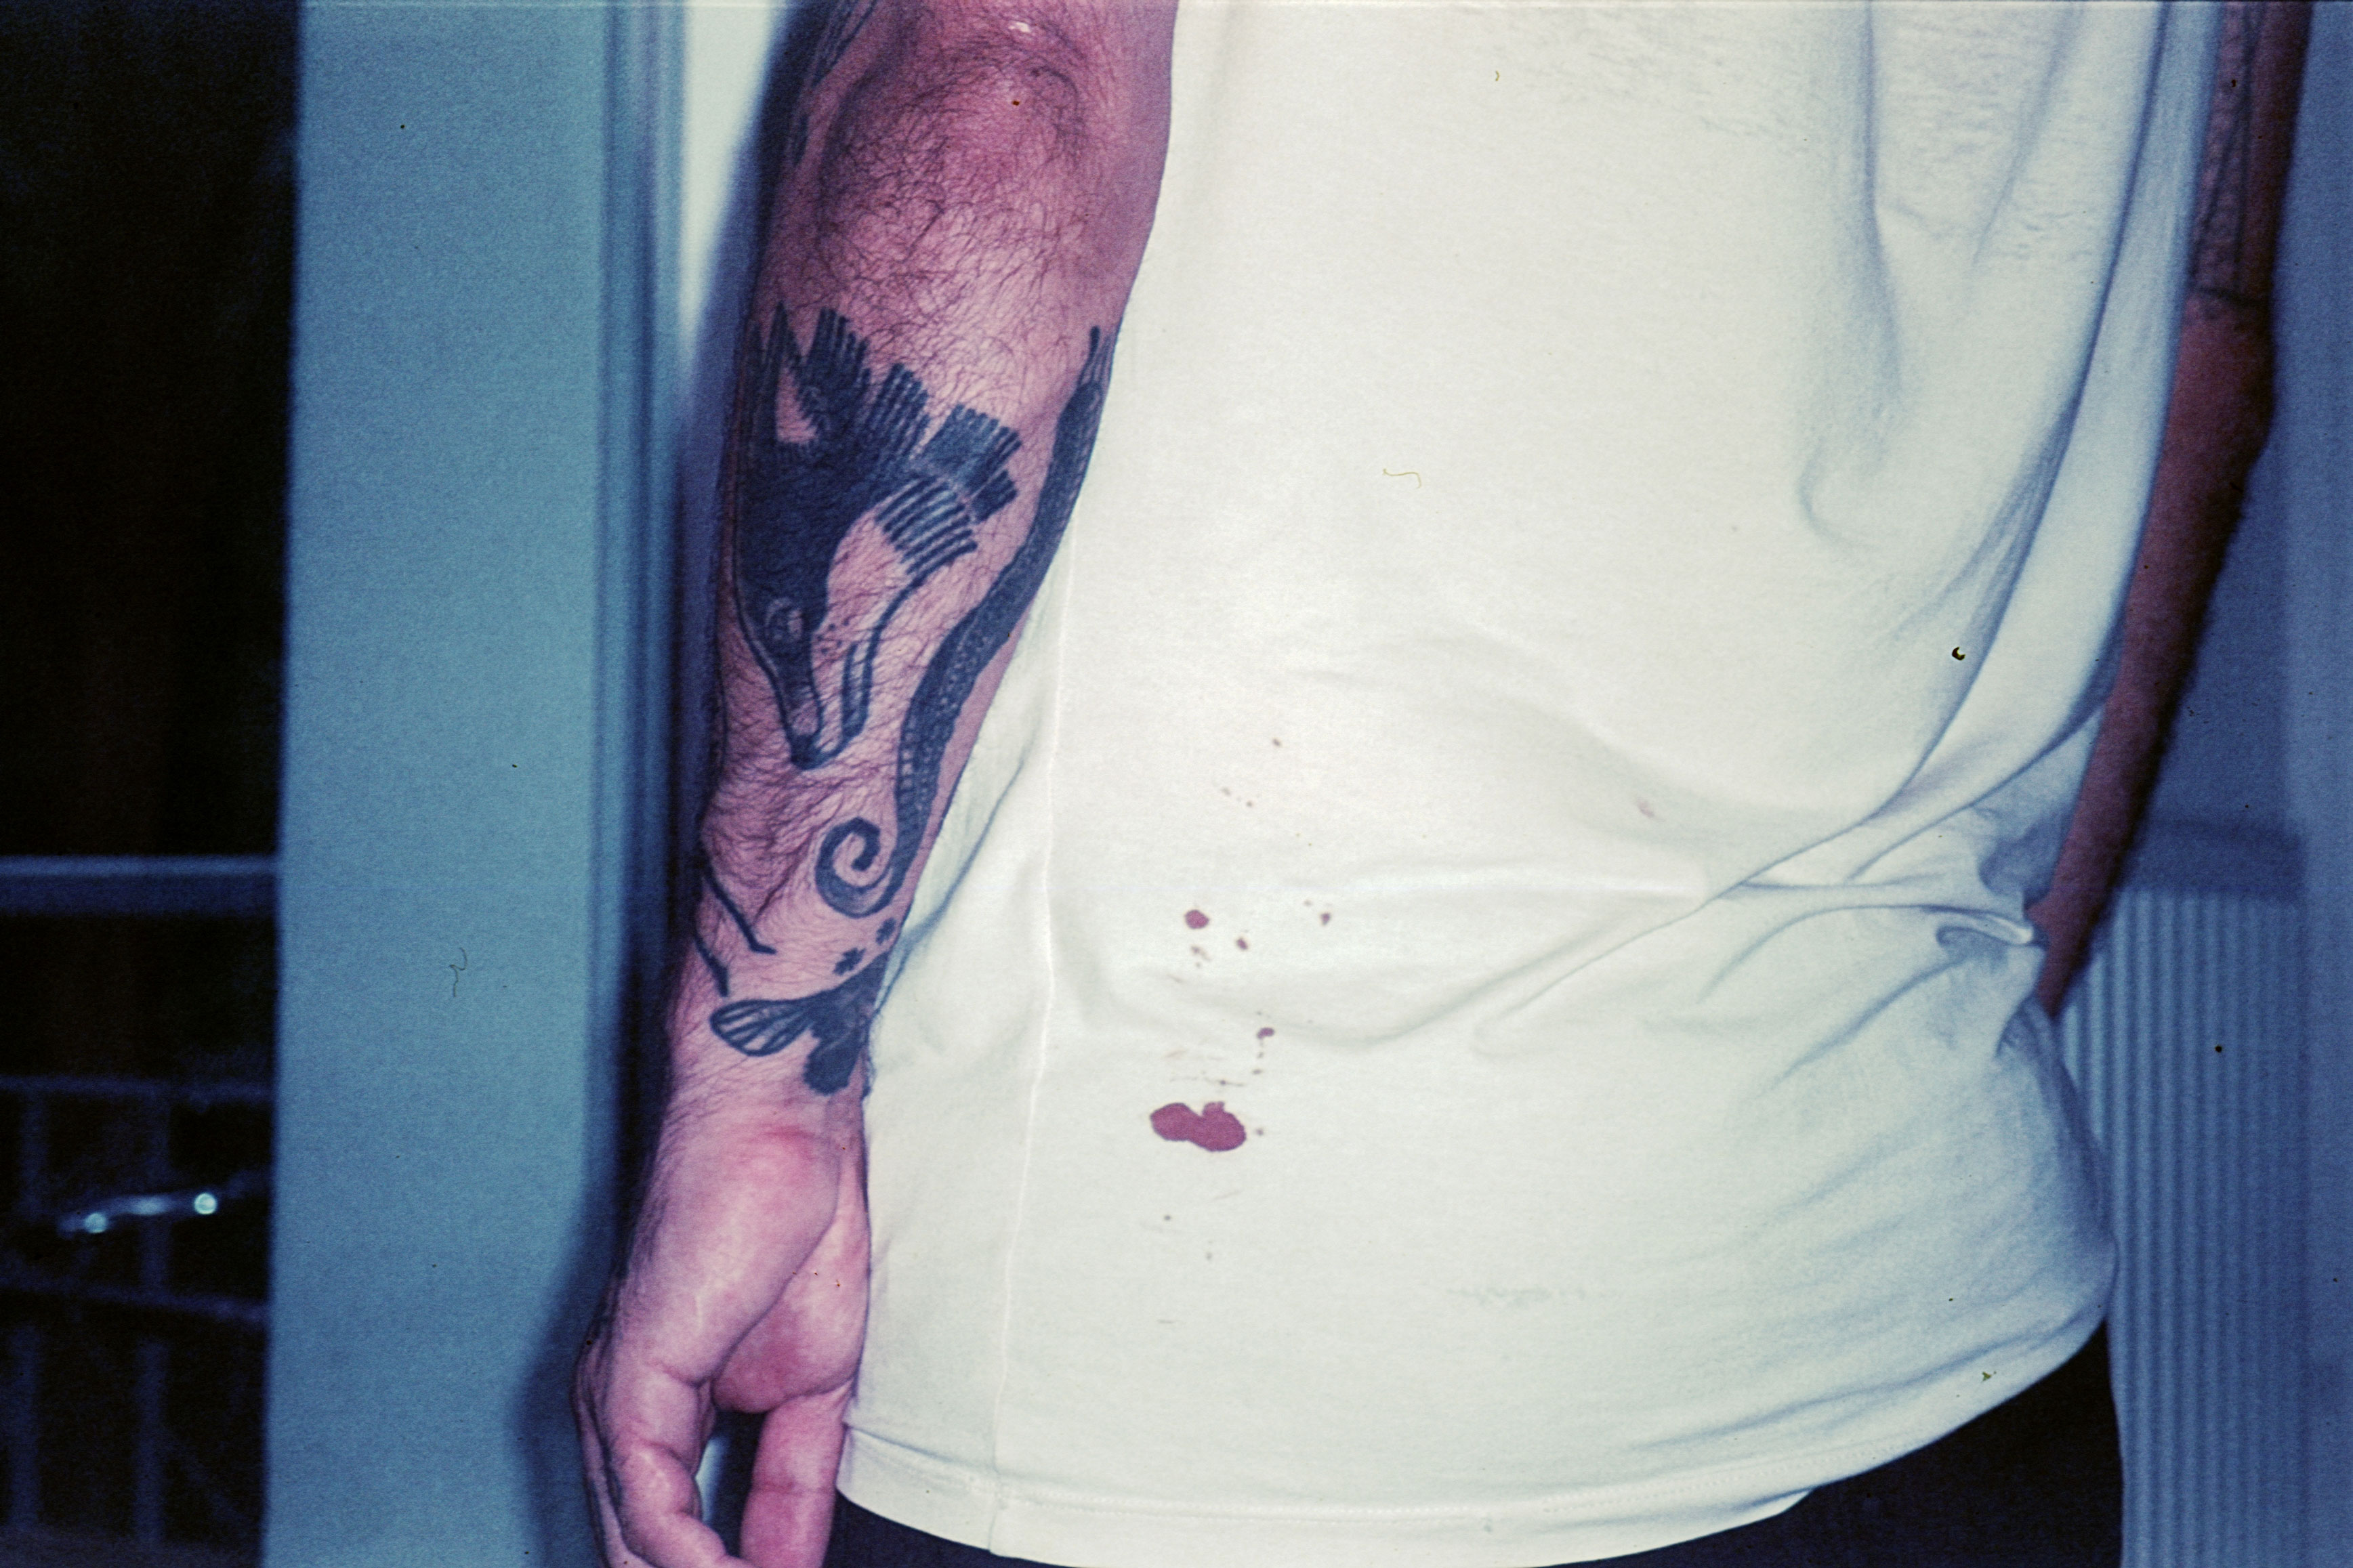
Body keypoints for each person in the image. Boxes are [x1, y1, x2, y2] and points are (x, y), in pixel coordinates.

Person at [575, 3, 2310, 1565]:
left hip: (1207, 1397)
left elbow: (1006, 64)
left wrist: (758, 1082)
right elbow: (2206, 326)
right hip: (1948, 1335)